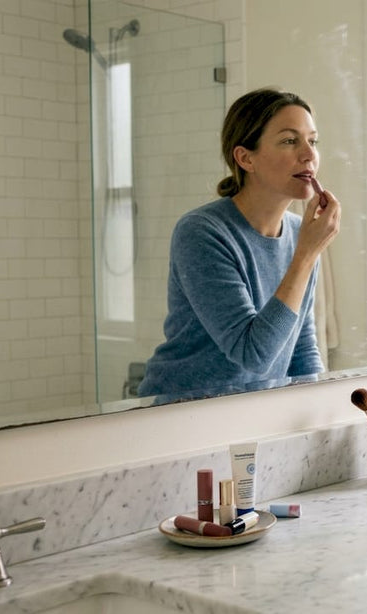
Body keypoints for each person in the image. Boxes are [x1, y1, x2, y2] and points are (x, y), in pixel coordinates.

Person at [139, 88, 340, 399]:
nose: (308, 154)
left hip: (250, 414)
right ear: (246, 158)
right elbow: (253, 354)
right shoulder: (202, 232)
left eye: (312, 141)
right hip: (180, 418)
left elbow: (301, 347)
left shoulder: (301, 233)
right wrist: (305, 255)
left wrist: (323, 408)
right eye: (290, 140)